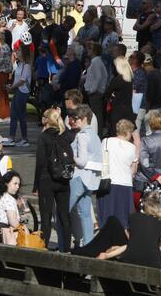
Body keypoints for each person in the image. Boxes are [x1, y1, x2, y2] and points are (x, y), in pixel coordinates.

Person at [73, 192, 161, 269]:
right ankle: (89, 250)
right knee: (112, 224)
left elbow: (132, 242)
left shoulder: (134, 217)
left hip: (130, 256)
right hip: (154, 262)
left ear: (146, 205)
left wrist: (109, 254)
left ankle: (86, 250)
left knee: (112, 221)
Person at [33, 108, 72, 251]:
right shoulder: (65, 135)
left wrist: (35, 185)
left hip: (47, 180)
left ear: (46, 120)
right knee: (64, 216)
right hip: (63, 179)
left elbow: (40, 162)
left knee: (46, 217)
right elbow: (69, 133)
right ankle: (67, 248)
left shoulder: (43, 137)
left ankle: (44, 246)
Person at [69, 105, 102, 247]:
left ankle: (65, 243)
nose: (73, 121)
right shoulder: (95, 136)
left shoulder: (82, 136)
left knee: (65, 209)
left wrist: (71, 156)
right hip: (91, 179)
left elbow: (81, 161)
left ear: (83, 119)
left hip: (79, 177)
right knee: (86, 214)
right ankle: (88, 244)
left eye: (75, 119)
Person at [97, 119, 137, 229]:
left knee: (106, 216)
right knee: (123, 218)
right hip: (125, 184)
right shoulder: (132, 147)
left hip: (108, 182)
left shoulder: (106, 141)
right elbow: (133, 169)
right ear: (129, 132)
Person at [106, 57, 135, 135]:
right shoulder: (130, 79)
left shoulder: (116, 80)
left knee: (116, 134)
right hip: (128, 110)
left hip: (117, 111)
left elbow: (107, 93)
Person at [9, 45, 31, 147]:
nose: (16, 52)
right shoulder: (19, 64)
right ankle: (11, 137)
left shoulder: (26, 65)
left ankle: (24, 138)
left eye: (19, 51)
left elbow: (22, 80)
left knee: (21, 116)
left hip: (22, 92)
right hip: (17, 91)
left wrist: (12, 86)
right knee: (13, 114)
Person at [84, 43, 107, 138]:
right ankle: (97, 133)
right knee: (96, 113)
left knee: (96, 114)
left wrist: (92, 90)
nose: (88, 50)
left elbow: (98, 77)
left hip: (95, 93)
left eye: (90, 49)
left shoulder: (96, 62)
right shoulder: (96, 61)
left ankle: (98, 134)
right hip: (95, 91)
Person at [0, 32, 12, 121]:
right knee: (4, 94)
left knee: (0, 94)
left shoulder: (3, 47)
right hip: (5, 72)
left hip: (0, 72)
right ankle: (7, 114)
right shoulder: (6, 46)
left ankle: (3, 115)